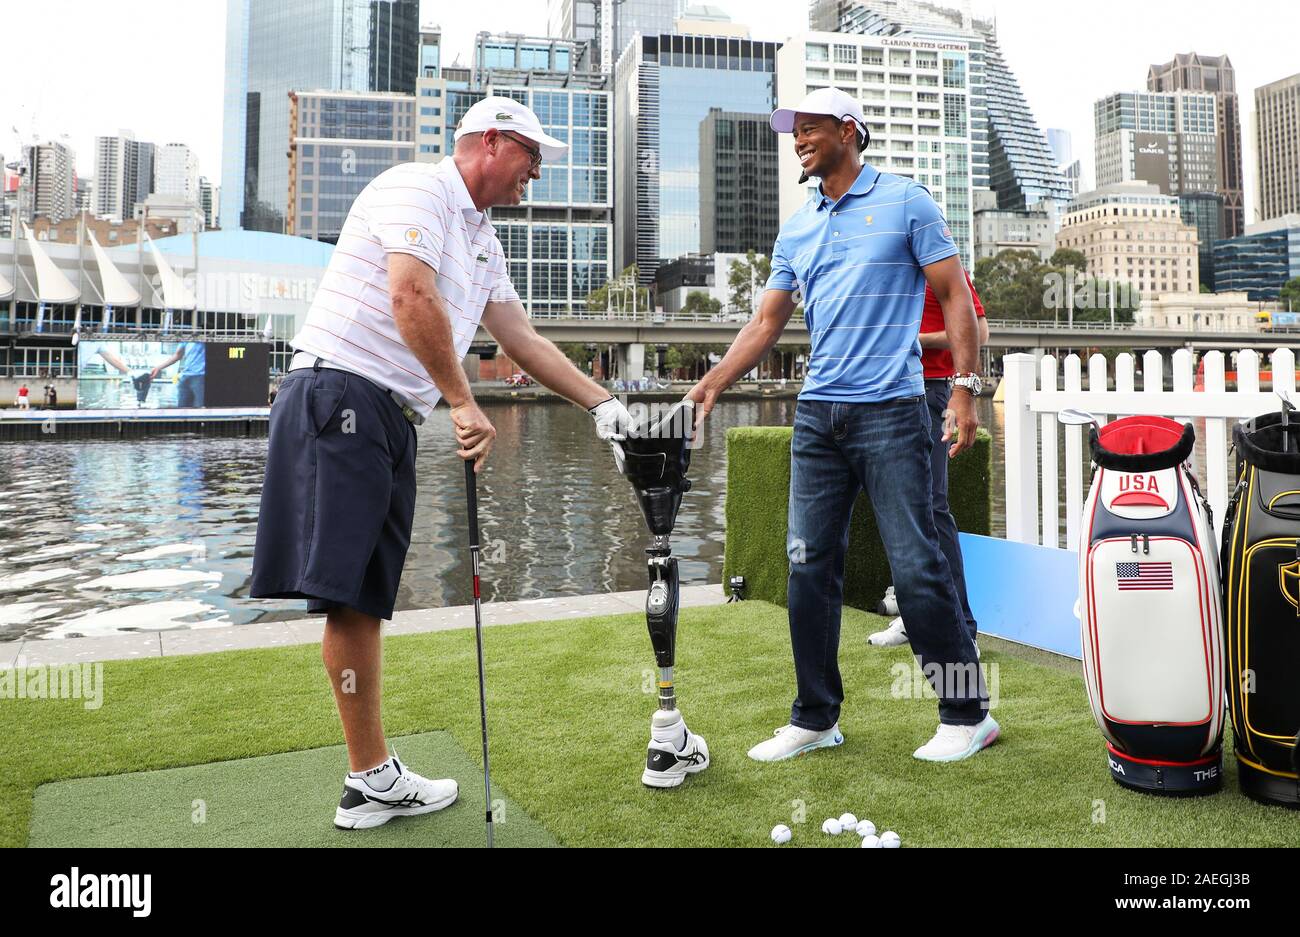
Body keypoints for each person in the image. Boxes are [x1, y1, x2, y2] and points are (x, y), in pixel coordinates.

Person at [249, 96, 637, 830]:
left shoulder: (483, 237)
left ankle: (370, 779)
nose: (538, 172)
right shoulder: (417, 187)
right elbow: (409, 292)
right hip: (342, 395)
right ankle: (367, 777)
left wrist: (604, 406)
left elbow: (521, 337)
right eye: (531, 155)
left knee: (367, 595)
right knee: (347, 595)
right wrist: (462, 401)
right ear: (489, 143)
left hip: (386, 414)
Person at [687, 88, 998, 764]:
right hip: (817, 416)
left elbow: (954, 298)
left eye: (810, 127)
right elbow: (765, 322)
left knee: (917, 565)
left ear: (849, 130)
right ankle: (816, 715)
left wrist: (965, 392)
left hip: (892, 408)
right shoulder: (797, 227)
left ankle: (968, 712)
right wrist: (713, 380)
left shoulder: (907, 201)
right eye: (792, 130)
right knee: (807, 566)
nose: (797, 139)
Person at [868, 273, 988, 651]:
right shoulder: (881, 262)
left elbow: (979, 330)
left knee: (933, 506)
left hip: (930, 391)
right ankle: (913, 616)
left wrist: (915, 340)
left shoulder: (938, 260)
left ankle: (963, 628)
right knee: (899, 507)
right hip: (883, 393)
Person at [151, 342, 206, 407]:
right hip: (185, 376)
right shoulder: (186, 338)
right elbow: (178, 355)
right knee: (182, 408)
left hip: (200, 375)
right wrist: (158, 368)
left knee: (200, 407)